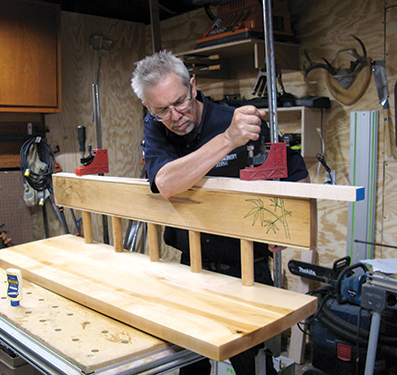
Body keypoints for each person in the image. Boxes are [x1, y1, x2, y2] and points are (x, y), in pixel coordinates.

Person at [131, 50, 309, 374]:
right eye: (162, 110)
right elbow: (165, 182)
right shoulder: (156, 127)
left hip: (247, 270)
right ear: (148, 108)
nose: (176, 116)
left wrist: (284, 227)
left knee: (253, 365)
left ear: (193, 86)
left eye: (181, 102)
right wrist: (228, 140)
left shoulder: (237, 120)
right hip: (192, 269)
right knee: (190, 365)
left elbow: (297, 174)